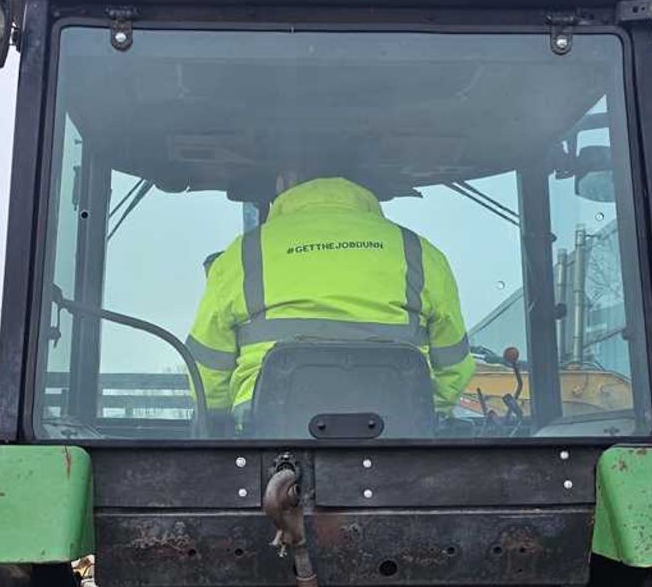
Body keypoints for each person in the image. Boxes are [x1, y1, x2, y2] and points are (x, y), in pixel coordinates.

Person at [185, 172, 472, 420]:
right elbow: (454, 369)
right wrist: (426, 417)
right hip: (402, 443)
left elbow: (207, 377)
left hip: (265, 448)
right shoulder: (421, 254)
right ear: (363, 185)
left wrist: (221, 432)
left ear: (286, 181)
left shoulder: (242, 255)